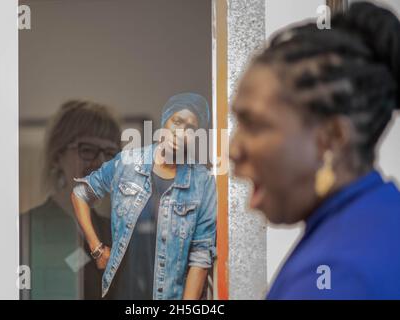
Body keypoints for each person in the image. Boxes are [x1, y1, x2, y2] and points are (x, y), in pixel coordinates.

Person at [230, 2, 400, 299]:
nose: (233, 149)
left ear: (331, 138)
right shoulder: (384, 213)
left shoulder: (336, 274)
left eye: (254, 124)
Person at [71, 93, 217, 300]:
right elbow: (80, 194)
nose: (181, 132)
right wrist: (97, 249)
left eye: (191, 129)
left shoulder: (202, 182)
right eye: (177, 121)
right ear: (165, 121)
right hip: (121, 294)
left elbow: (200, 256)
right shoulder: (128, 163)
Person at [20, 100, 121, 299]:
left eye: (110, 154)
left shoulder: (115, 233)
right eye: (87, 150)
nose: (101, 163)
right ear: (58, 157)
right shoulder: (25, 229)